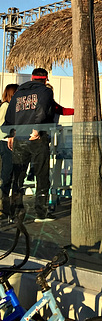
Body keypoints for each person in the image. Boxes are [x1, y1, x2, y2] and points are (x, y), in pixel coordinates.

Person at [3, 68, 56, 222]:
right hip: (37, 137)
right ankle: (41, 213)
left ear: (32, 78)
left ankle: (16, 213)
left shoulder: (19, 93)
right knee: (41, 175)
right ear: (45, 79)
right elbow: (43, 110)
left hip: (19, 136)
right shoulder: (45, 92)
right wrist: (37, 128)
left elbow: (10, 115)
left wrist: (11, 134)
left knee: (18, 177)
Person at [0, 84, 18, 220]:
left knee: (7, 175)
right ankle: (4, 208)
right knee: (7, 175)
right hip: (5, 143)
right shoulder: (6, 107)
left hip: (5, 142)